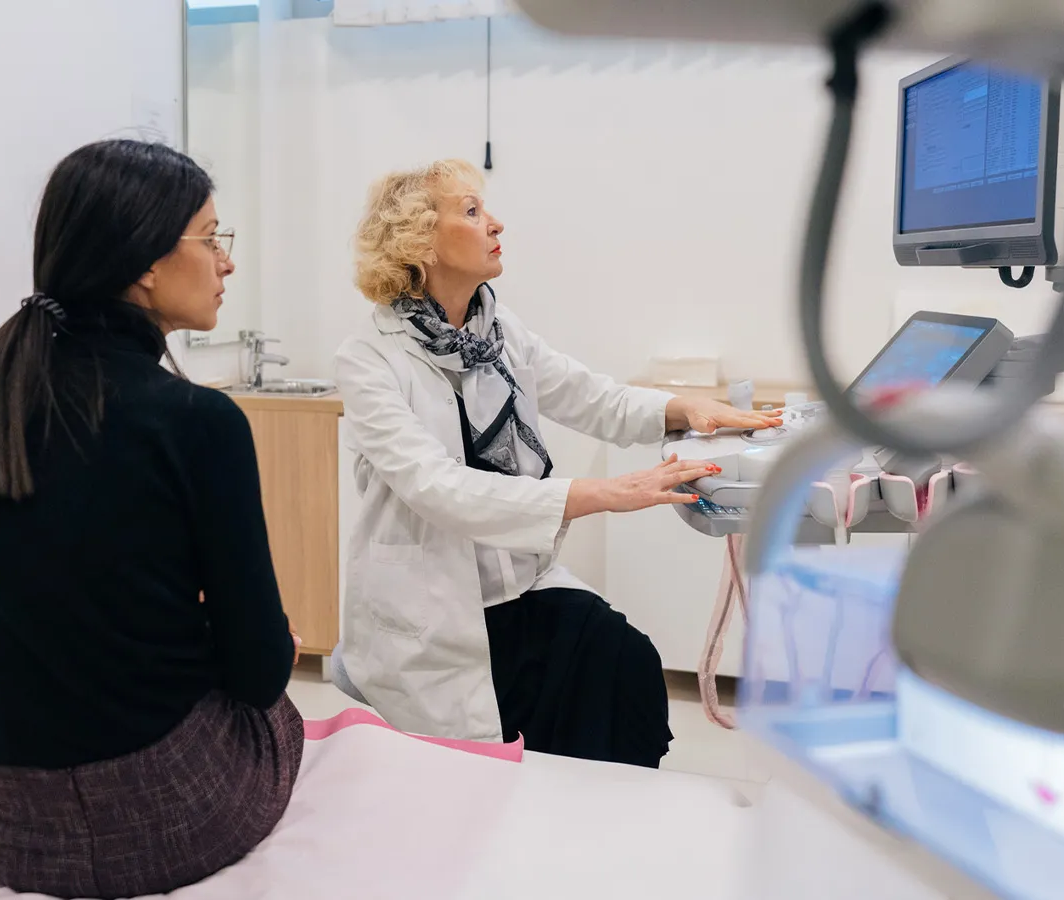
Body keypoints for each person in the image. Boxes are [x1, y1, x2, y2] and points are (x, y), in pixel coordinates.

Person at [0, 140, 302, 900]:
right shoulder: (196, 419)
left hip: (10, 824)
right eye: (211, 237)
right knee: (284, 700)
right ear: (146, 265)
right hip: (168, 814)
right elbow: (259, 670)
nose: (226, 262)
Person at [333, 159, 781, 768]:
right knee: (476, 778)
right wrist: (604, 493)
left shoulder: (498, 331)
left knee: (623, 664)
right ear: (421, 244)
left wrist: (690, 409)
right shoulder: (368, 359)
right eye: (471, 212)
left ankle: (593, 833)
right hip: (432, 616)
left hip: (518, 585)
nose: (495, 224)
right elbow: (438, 489)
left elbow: (592, 396)